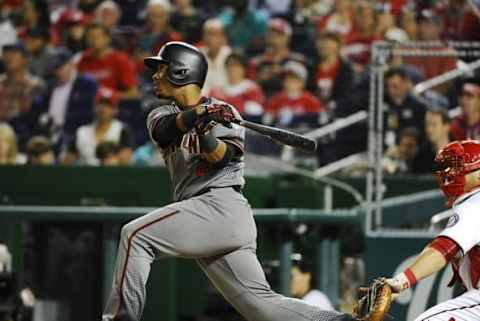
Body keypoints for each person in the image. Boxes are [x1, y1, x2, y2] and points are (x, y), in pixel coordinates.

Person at [102, 41, 359, 321]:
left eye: (161, 69)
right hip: (208, 216)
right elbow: (166, 130)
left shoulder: (226, 113)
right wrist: (197, 116)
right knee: (262, 307)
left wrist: (206, 130)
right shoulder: (161, 113)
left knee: (135, 236)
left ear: (180, 72)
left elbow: (221, 158)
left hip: (219, 204)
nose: (154, 75)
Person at [376, 139, 480, 320]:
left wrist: (400, 282)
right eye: (449, 168)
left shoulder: (475, 202)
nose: (450, 174)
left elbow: (440, 252)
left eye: (459, 167)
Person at [37, 47, 98, 150]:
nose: (58, 72)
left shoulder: (86, 84)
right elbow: (40, 105)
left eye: (61, 67)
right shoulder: (52, 85)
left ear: (71, 64)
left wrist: (65, 123)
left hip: (76, 135)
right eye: (56, 68)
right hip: (51, 134)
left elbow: (89, 113)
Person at [63, 86, 133, 165]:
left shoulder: (122, 130)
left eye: (107, 105)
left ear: (115, 110)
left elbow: (126, 162)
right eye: (99, 104)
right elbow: (66, 163)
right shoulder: (82, 132)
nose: (102, 108)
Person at [78, 23, 139, 100]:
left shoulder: (121, 60)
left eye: (97, 37)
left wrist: (110, 95)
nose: (93, 40)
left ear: (107, 38)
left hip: (113, 108)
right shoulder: (83, 59)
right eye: (89, 37)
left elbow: (134, 94)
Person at [248, 17, 305, 97]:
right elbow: (247, 88)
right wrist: (260, 79)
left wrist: (283, 74)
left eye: (278, 35)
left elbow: (304, 89)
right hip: (263, 103)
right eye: (270, 34)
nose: (273, 38)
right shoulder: (256, 62)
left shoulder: (297, 60)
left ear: (287, 38)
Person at [266, 61, 325, 128]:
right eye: (286, 78)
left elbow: (321, 119)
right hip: (280, 134)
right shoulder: (276, 99)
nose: (289, 82)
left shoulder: (310, 100)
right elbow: (267, 119)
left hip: (303, 134)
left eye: (293, 79)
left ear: (302, 82)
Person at [208, 52, 264, 120]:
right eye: (229, 65)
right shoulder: (216, 90)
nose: (231, 69)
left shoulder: (252, 89)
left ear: (244, 68)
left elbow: (256, 112)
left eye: (236, 65)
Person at [413, 107, 451, 174]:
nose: (429, 129)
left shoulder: (458, 155)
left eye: (434, 125)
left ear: (446, 127)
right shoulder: (420, 156)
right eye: (427, 124)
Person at [199, 19, 232, 94]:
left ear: (223, 38)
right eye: (208, 34)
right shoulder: (197, 56)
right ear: (204, 37)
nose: (211, 39)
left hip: (226, 99)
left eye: (215, 34)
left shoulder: (230, 56)